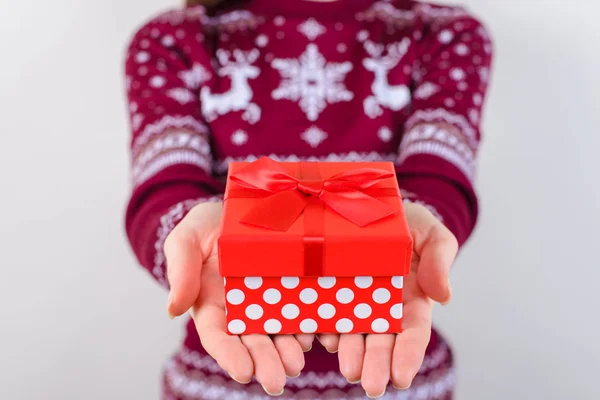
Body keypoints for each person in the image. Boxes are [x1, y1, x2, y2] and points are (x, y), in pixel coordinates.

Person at [123, 0, 492, 398]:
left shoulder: (444, 33)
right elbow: (163, 189)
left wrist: (416, 233)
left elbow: (440, 182)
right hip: (219, 377)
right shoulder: (173, 40)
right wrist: (189, 234)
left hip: (398, 372)